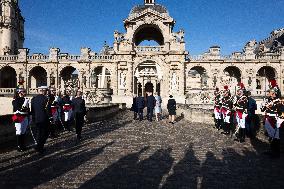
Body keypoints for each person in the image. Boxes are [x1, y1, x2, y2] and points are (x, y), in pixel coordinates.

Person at [31, 86, 50, 153]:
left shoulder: (33, 99)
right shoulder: (46, 99)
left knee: (38, 133)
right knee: (45, 133)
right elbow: (48, 110)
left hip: (36, 119)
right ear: (44, 91)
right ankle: (40, 147)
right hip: (44, 119)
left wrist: (33, 118)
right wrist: (51, 118)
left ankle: (38, 146)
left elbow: (32, 110)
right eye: (46, 91)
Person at [12, 87, 30, 152]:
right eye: (23, 92)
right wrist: (25, 102)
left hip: (25, 117)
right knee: (19, 132)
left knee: (23, 131)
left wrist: (29, 116)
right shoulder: (15, 100)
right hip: (18, 117)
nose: (25, 93)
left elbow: (27, 110)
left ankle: (23, 145)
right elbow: (20, 109)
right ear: (19, 93)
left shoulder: (25, 99)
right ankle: (19, 146)